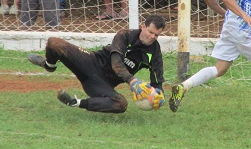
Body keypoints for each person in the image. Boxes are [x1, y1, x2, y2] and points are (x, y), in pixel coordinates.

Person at [27, 15, 166, 113]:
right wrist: (132, 80)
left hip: (101, 83)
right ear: (143, 27)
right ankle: (49, 66)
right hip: (91, 62)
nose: (152, 37)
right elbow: (116, 62)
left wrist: (157, 96)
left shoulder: (155, 53)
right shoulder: (125, 35)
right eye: (151, 32)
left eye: (156, 35)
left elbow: (157, 81)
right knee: (54, 42)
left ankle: (75, 102)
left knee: (121, 104)